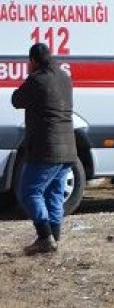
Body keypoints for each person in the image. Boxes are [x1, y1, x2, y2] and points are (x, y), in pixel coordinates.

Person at [10, 43, 75, 255]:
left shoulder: (37, 79)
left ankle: (45, 237)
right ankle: (53, 240)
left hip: (47, 148)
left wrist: (27, 80)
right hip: (68, 149)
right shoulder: (65, 78)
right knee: (54, 194)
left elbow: (16, 100)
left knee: (29, 192)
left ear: (33, 61)